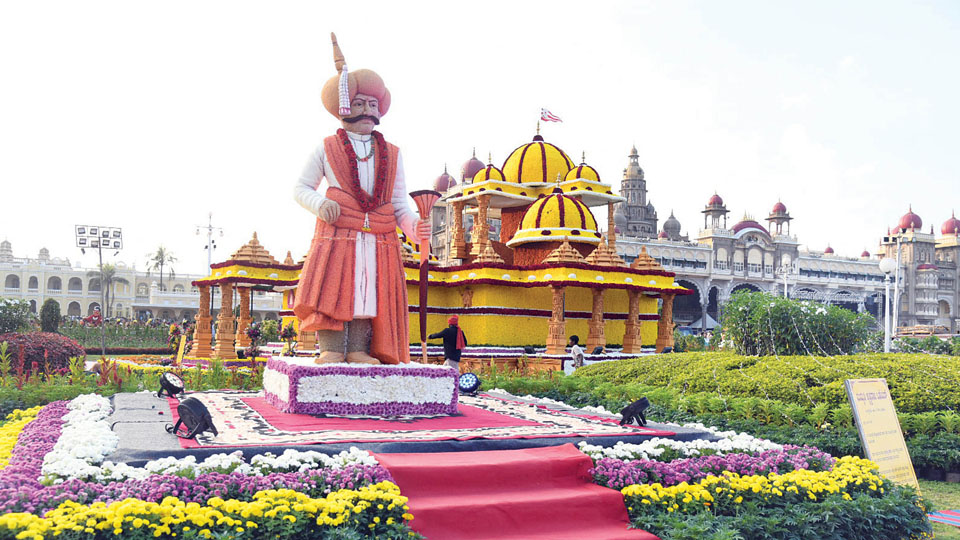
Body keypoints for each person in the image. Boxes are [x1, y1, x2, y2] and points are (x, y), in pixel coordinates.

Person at [293, 33, 430, 366]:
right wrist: (320, 204)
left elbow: (398, 206)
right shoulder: (326, 147)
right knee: (333, 291)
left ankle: (357, 349)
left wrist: (415, 227)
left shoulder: (392, 154)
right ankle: (330, 348)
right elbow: (300, 188)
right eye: (359, 104)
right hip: (339, 233)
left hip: (380, 238)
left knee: (369, 295)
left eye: (372, 104)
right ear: (344, 108)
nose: (367, 110)